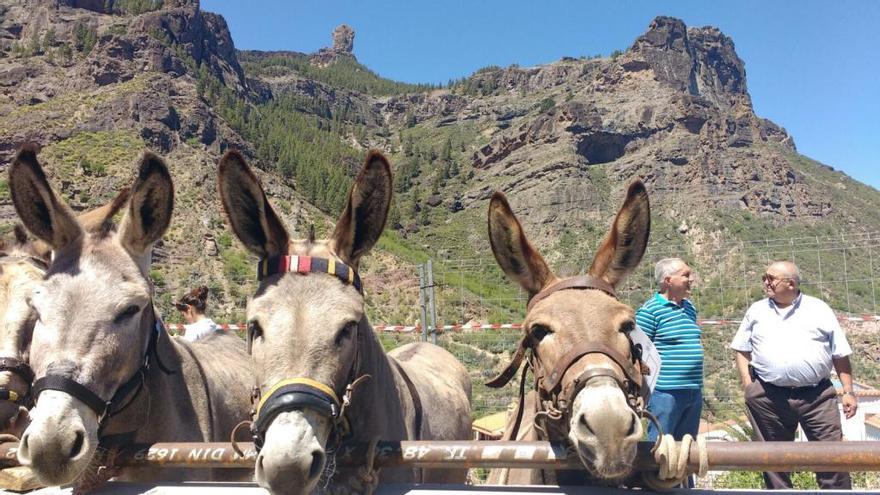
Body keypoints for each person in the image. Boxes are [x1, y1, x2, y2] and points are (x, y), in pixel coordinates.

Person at [730, 261, 856, 490]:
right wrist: (748, 386)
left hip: (817, 397)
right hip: (768, 397)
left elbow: (840, 353)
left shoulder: (819, 309)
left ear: (791, 283)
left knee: (832, 457)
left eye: (771, 278)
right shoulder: (756, 310)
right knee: (773, 460)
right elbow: (741, 348)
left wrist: (848, 391)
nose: (765, 282)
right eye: (764, 278)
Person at [635, 258, 704, 444]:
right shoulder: (650, 312)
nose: (691, 279)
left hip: (694, 391)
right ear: (668, 280)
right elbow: (636, 352)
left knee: (687, 450)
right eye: (686, 275)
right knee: (661, 448)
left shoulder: (689, 308)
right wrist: (643, 391)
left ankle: (686, 475)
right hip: (665, 394)